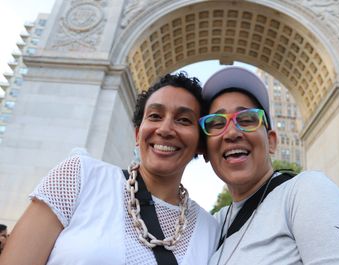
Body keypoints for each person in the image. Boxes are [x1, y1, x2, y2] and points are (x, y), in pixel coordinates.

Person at [0, 72, 219, 265]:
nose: (165, 129)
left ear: (200, 143)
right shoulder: (80, 176)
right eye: (154, 116)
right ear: (137, 134)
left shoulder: (210, 229)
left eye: (183, 120)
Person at [199, 66, 339, 265]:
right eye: (217, 123)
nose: (232, 132)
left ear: (272, 141)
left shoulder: (306, 191)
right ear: (205, 151)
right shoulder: (214, 224)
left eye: (247, 119)